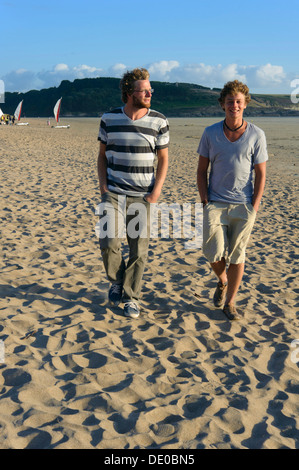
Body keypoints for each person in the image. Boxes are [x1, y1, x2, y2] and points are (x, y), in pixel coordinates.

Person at [97, 68, 169, 319]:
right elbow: (101, 156)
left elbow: (163, 159)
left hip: (143, 196)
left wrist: (155, 192)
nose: (150, 93)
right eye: (144, 90)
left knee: (138, 250)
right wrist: (103, 187)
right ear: (129, 93)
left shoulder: (159, 121)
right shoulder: (108, 118)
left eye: (151, 90)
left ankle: (131, 297)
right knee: (108, 243)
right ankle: (116, 281)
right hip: (114, 193)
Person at [197, 80, 268, 320]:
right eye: (230, 102)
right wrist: (204, 199)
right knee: (212, 253)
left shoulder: (257, 134)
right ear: (222, 105)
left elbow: (261, 173)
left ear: (245, 104)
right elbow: (201, 170)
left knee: (238, 256)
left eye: (238, 102)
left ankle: (230, 303)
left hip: (244, 205)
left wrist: (254, 205)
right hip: (215, 203)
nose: (234, 106)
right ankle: (223, 279)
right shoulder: (210, 133)